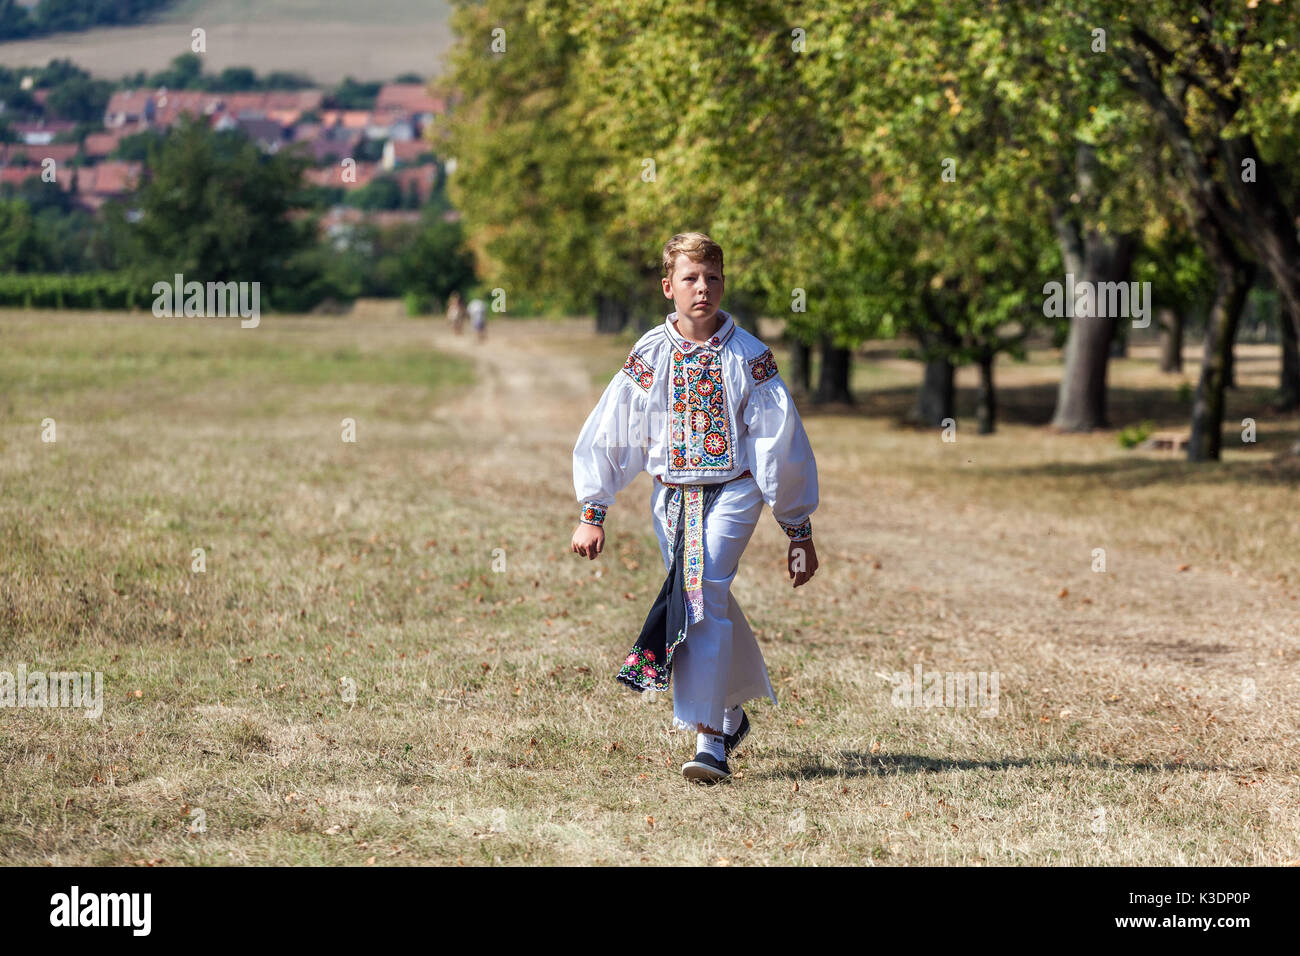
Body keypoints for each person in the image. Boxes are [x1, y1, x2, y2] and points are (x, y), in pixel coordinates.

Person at [571, 232, 820, 784]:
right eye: (690, 278)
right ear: (669, 288)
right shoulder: (650, 354)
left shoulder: (751, 357)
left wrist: (797, 528)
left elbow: (779, 444)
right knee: (707, 596)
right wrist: (594, 509)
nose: (702, 287)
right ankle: (733, 714)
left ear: (724, 283)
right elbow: (615, 430)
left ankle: (711, 740)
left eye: (712, 277)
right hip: (671, 498)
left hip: (735, 490)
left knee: (701, 585)